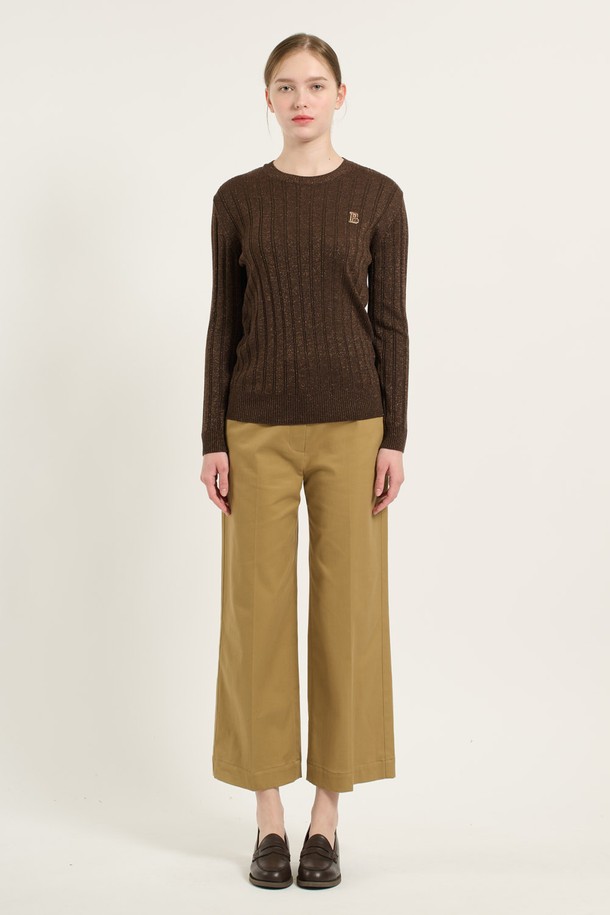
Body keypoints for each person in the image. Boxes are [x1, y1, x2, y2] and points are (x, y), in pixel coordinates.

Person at [199, 32, 409, 890]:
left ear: (341, 95)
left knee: (347, 613)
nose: (301, 100)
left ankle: (326, 816)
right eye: (285, 86)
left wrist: (396, 436)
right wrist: (212, 438)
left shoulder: (378, 197)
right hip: (255, 427)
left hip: (355, 426)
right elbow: (224, 318)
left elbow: (391, 321)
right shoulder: (238, 199)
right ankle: (268, 818)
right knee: (256, 616)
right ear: (268, 99)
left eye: (315, 85)